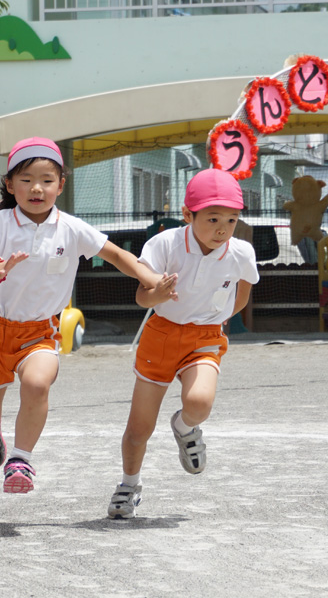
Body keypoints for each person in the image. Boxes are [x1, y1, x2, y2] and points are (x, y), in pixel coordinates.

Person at [0, 137, 165, 494]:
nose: (36, 188)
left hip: (41, 332)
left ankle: (20, 460)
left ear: (60, 185)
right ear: (10, 184)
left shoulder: (71, 227)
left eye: (46, 180)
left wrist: (152, 280)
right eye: (26, 180)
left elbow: (117, 255)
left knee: (37, 383)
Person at [109, 170, 258, 519]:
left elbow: (241, 297)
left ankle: (185, 427)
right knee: (139, 428)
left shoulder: (241, 252)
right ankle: (129, 485)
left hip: (205, 337)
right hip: (161, 336)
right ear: (187, 215)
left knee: (199, 402)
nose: (222, 228)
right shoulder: (165, 244)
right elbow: (141, 297)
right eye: (213, 219)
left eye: (231, 220)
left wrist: (217, 318)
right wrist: (156, 295)